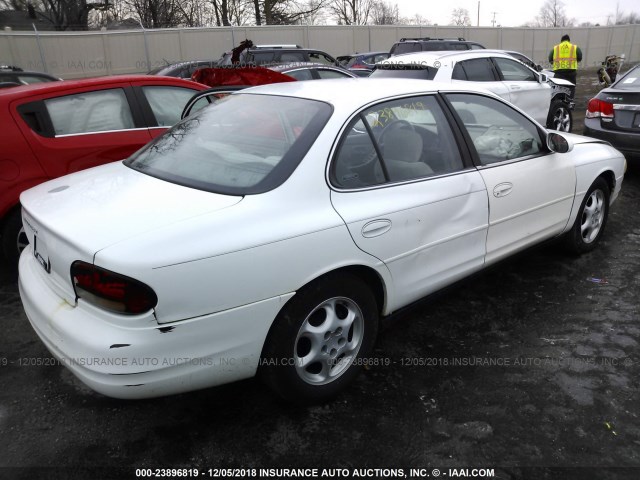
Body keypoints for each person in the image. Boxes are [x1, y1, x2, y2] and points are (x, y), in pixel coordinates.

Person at [549, 34, 582, 98]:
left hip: (559, 73)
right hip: (571, 73)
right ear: (569, 40)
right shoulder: (574, 47)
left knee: (558, 89)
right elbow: (580, 57)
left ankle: (560, 102)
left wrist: (555, 63)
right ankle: (570, 101)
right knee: (571, 87)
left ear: (561, 41)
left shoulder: (556, 48)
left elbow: (550, 59)